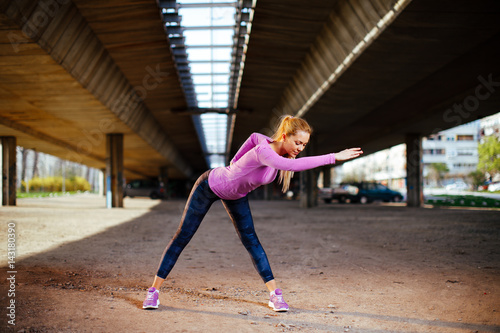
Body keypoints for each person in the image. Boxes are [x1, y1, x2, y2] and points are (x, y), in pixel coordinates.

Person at [143, 115, 363, 311]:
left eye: (304, 144)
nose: (300, 148)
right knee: (184, 235)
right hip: (209, 184)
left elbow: (254, 135)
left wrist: (235, 160)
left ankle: (275, 295)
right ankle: (154, 291)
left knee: (252, 241)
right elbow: (292, 165)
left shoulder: (266, 145)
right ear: (284, 136)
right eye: (297, 142)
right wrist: (334, 156)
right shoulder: (265, 152)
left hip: (236, 196)